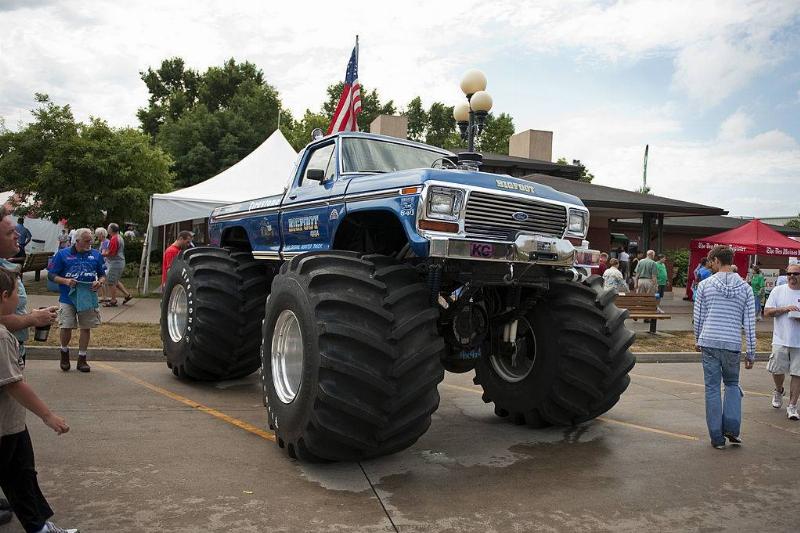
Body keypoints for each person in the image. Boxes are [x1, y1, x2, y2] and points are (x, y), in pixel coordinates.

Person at [0, 267, 78, 533]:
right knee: (18, 476)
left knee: (23, 477)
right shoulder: (1, 337)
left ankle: (39, 526)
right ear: (4, 296)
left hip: (12, 424)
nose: (22, 302)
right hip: (4, 427)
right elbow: (14, 385)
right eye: (18, 294)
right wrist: (48, 416)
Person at [693, 245, 756, 449]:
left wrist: (697, 338)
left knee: (712, 388)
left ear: (717, 261)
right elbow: (749, 322)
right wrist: (751, 351)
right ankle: (732, 429)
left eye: (712, 262)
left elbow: (698, 316)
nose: (710, 265)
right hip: (732, 343)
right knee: (731, 385)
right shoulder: (746, 288)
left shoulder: (705, 285)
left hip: (709, 341)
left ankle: (716, 438)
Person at [0, 214, 57, 368]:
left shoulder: (5, 264)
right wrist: (32, 319)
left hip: (14, 350)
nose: (18, 234)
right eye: (10, 232)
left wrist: (32, 315)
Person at [47, 228, 106, 373]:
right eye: (87, 241)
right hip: (68, 297)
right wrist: (66, 281)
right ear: (77, 241)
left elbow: (102, 274)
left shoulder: (96, 255)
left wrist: (100, 282)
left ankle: (82, 358)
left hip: (87, 296)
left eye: (91, 240)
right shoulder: (62, 255)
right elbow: (51, 275)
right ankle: (64, 352)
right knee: (66, 325)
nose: (90, 243)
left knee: (86, 327)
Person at [763, 263, 800, 420]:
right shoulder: (778, 291)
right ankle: (779, 390)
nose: (792, 276)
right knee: (777, 370)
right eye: (789, 273)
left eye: (796, 274)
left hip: (799, 342)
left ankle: (792, 406)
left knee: (797, 373)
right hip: (780, 339)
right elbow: (766, 312)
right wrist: (785, 309)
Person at [101, 223, 131, 307]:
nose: (107, 229)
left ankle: (113, 300)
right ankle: (127, 295)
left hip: (116, 262)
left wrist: (103, 254)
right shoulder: (119, 237)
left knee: (110, 282)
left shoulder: (114, 238)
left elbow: (112, 253)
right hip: (119, 262)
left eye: (108, 228)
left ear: (111, 230)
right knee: (115, 281)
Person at [94, 227, 110, 303]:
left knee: (101, 278)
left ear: (101, 234)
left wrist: (96, 254)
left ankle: (104, 296)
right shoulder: (104, 242)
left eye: (98, 235)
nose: (97, 236)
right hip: (104, 262)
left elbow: (103, 253)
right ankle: (104, 296)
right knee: (102, 279)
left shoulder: (105, 242)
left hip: (105, 263)